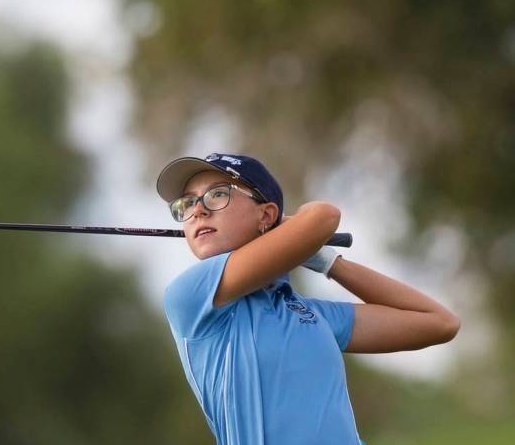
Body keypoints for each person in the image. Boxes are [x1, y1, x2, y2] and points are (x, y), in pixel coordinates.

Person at [156, 153, 460, 445]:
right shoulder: (190, 295)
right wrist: (298, 233)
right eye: (187, 203)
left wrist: (329, 262)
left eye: (217, 194)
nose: (198, 210)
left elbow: (440, 323)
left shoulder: (307, 313)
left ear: (266, 214)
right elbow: (323, 216)